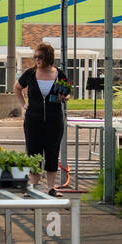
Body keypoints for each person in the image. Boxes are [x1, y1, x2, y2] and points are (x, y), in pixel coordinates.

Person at [15, 42, 71, 194]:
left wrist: (65, 97)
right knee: (34, 152)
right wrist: (24, 105)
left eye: (40, 57)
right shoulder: (30, 74)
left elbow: (67, 92)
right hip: (33, 120)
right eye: (35, 57)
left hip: (54, 120)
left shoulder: (59, 74)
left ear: (48, 57)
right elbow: (17, 88)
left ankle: (51, 188)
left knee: (52, 152)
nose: (37, 60)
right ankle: (34, 187)